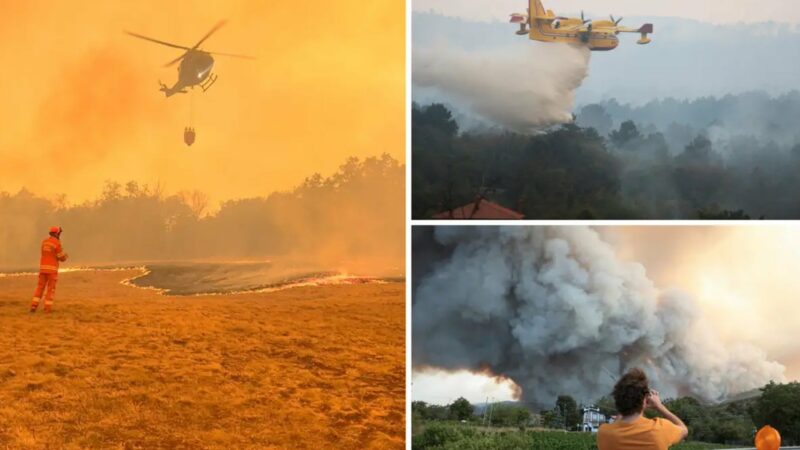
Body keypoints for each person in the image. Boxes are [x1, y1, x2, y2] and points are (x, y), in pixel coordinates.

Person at [597, 368, 689, 450]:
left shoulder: (604, 433)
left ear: (617, 399)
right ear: (645, 400)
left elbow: (619, 423)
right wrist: (659, 406)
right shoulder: (659, 429)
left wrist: (624, 401)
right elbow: (684, 430)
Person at [30, 226, 68, 314]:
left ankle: (33, 306)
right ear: (56, 233)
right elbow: (60, 257)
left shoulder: (44, 242)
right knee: (50, 289)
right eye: (59, 233)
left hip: (43, 269)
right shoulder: (57, 243)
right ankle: (47, 309)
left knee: (39, 288)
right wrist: (65, 256)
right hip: (52, 270)